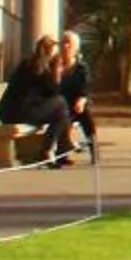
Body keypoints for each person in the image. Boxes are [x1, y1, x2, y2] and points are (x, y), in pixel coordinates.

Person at [0, 34, 77, 166]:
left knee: (61, 113)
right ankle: (53, 150)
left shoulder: (27, 63)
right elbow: (54, 91)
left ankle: (59, 150)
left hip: (7, 112)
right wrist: (57, 72)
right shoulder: (41, 69)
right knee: (61, 104)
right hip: (21, 113)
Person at [54, 29, 98, 161]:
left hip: (76, 104)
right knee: (63, 118)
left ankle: (94, 150)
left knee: (86, 115)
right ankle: (62, 155)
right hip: (59, 105)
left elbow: (85, 88)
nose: (65, 46)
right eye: (63, 43)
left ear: (75, 48)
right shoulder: (54, 66)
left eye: (69, 43)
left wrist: (82, 100)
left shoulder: (81, 68)